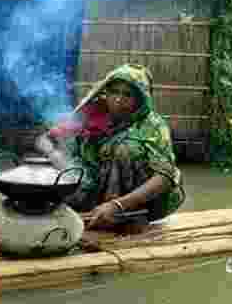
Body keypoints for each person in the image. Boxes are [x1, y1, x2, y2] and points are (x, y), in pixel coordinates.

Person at [35, 63, 185, 231]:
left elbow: (165, 177)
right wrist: (54, 154)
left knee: (126, 147)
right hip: (96, 189)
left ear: (141, 99)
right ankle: (95, 213)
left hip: (135, 203)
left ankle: (126, 218)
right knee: (65, 154)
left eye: (127, 95)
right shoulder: (91, 113)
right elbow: (45, 140)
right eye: (114, 92)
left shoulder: (152, 125)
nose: (119, 99)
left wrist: (117, 205)